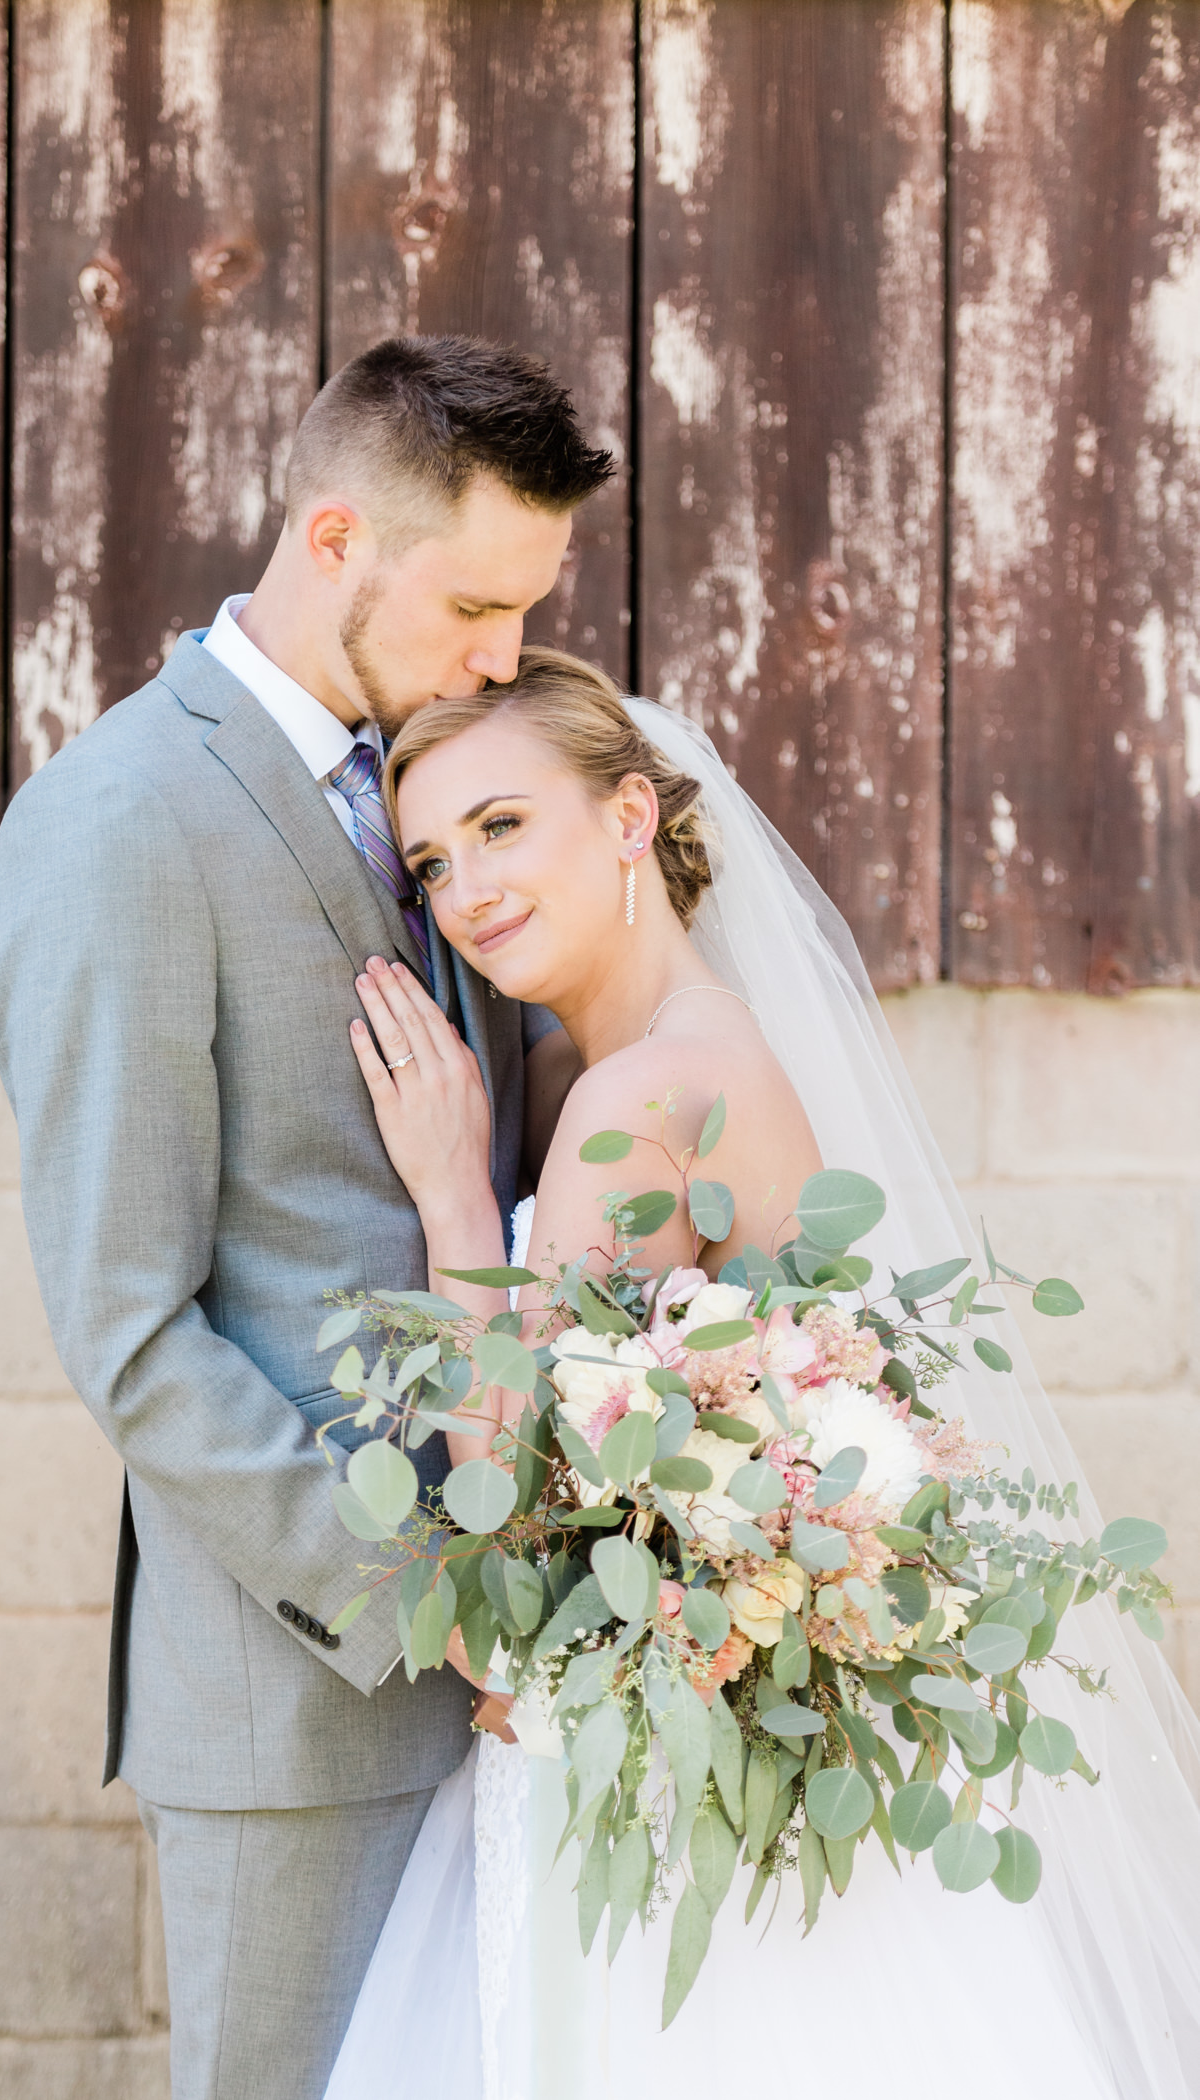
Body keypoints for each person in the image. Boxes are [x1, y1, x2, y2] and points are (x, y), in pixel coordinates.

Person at [323, 647, 1200, 2099]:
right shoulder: (698, 1049)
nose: (463, 889)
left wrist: (453, 1205)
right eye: (428, 860)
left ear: (621, 821)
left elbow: (496, 1533)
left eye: (500, 827)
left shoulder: (637, 1096)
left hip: (657, 1812)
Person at [0, 339, 613, 2100]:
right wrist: (424, 1595)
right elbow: (129, 1329)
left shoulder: (434, 787)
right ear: (336, 536)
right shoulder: (116, 823)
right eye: (477, 606)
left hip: (520, 1686)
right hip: (306, 1704)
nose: (504, 656)